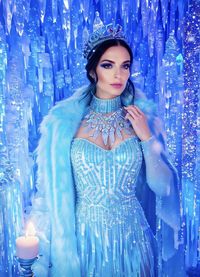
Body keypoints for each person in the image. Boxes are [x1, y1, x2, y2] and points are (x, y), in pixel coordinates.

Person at [31, 23, 180, 276]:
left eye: (125, 66)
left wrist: (146, 138)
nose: (118, 75)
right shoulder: (64, 123)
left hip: (134, 241)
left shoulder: (144, 118)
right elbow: (49, 194)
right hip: (83, 242)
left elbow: (163, 187)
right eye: (108, 65)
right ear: (93, 71)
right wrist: (41, 259)